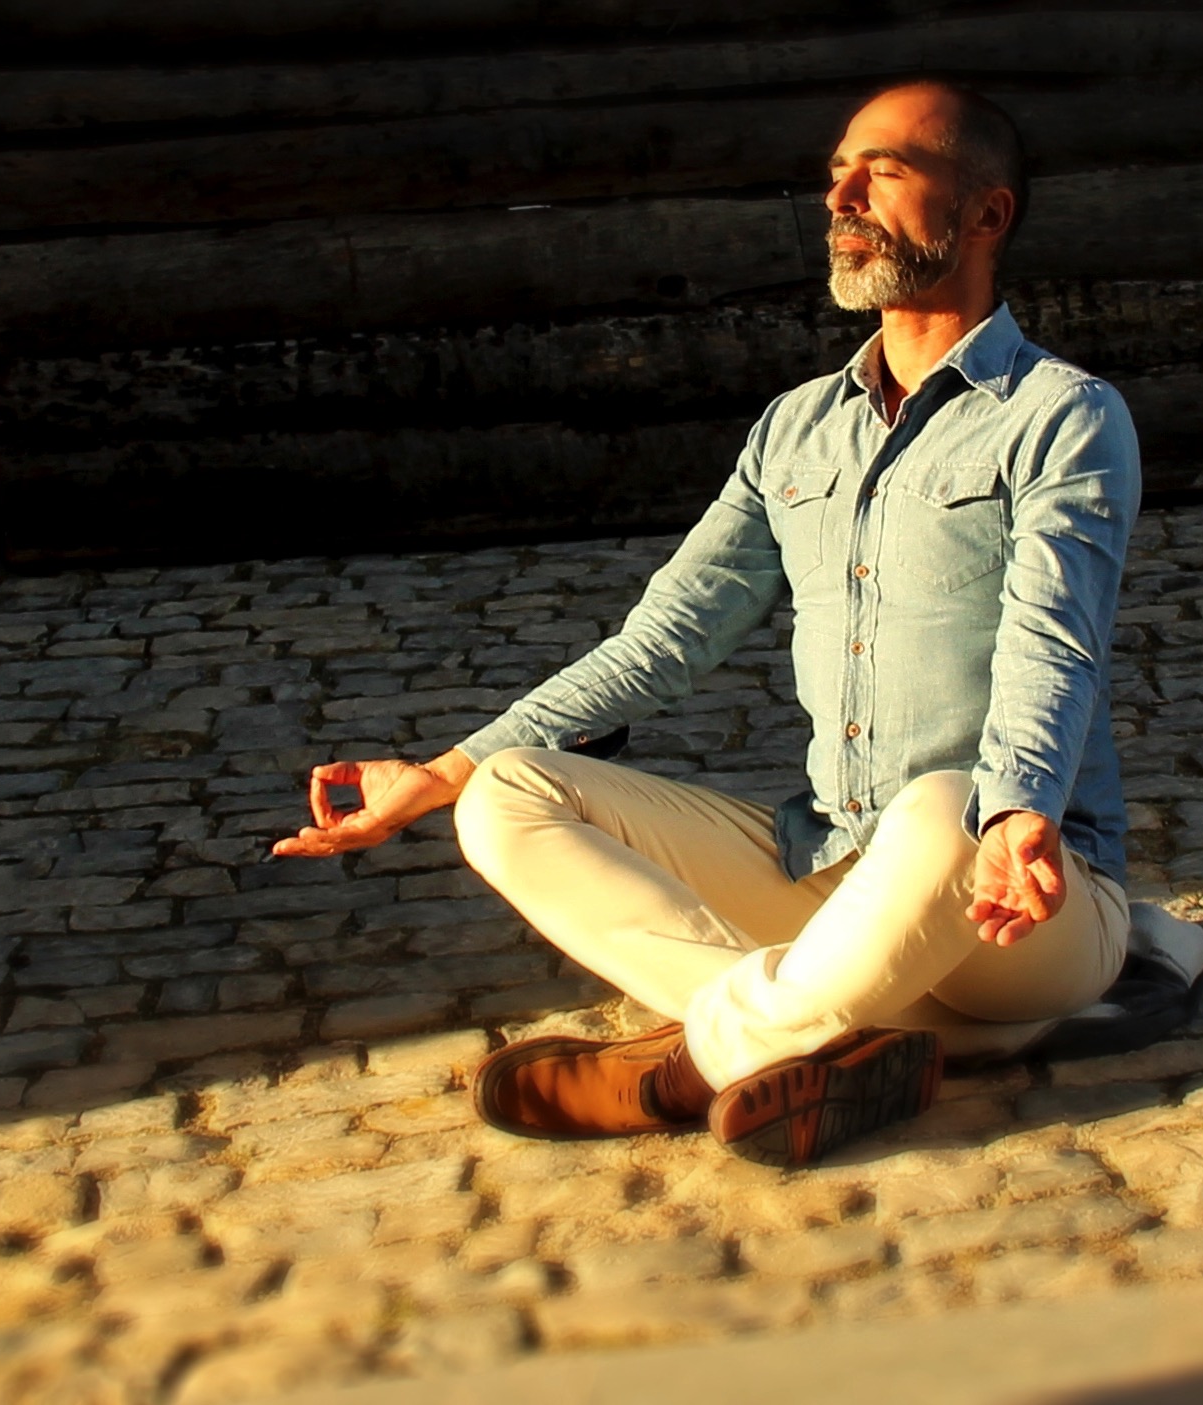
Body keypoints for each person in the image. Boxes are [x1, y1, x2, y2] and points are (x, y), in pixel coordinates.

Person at [273, 80, 1141, 1167]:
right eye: (837, 172)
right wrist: (445, 770)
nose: (842, 196)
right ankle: (828, 1032)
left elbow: (1054, 641)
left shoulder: (1064, 415)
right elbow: (665, 639)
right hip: (833, 867)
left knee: (942, 806)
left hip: (1017, 890)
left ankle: (694, 1061)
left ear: (986, 215)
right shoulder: (795, 429)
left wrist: (1018, 810)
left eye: (883, 170)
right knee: (508, 795)